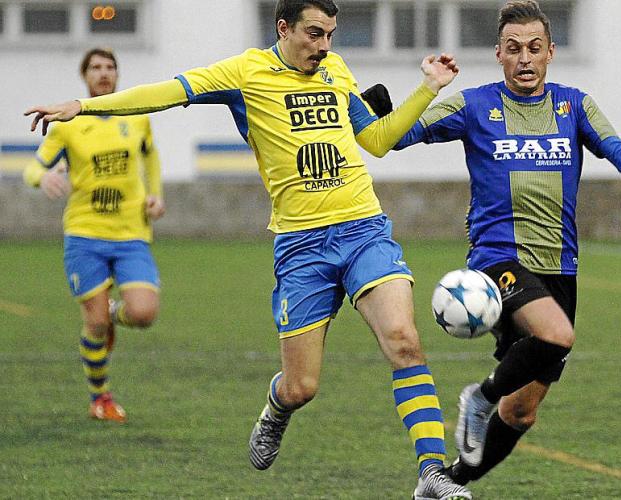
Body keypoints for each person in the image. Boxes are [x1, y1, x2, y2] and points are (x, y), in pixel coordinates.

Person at [25, 1, 471, 497]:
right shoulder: (245, 73)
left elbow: (379, 139)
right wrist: (85, 106)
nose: (324, 46)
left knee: (404, 341)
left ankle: (431, 472)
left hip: (363, 227)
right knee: (301, 387)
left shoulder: (337, 71)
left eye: (331, 35)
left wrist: (427, 88)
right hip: (302, 246)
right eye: (314, 34)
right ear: (283, 28)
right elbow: (168, 92)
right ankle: (277, 408)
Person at [391, 0, 621, 487]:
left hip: (560, 268)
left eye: (534, 48)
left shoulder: (573, 105)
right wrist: (388, 103)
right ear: (498, 54)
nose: (525, 59)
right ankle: (478, 399)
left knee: (521, 411)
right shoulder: (473, 105)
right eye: (514, 49)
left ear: (550, 52)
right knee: (556, 335)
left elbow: (617, 152)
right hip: (499, 259)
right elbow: (398, 134)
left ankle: (444, 484)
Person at [22, 48, 166, 423]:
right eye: (96, 68)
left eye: (110, 67)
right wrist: (45, 177)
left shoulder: (136, 116)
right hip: (85, 234)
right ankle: (100, 397)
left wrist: (156, 195)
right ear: (85, 76)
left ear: (118, 74)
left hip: (131, 232)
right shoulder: (68, 124)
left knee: (144, 313)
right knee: (95, 323)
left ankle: (114, 313)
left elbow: (150, 156)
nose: (104, 73)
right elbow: (32, 169)